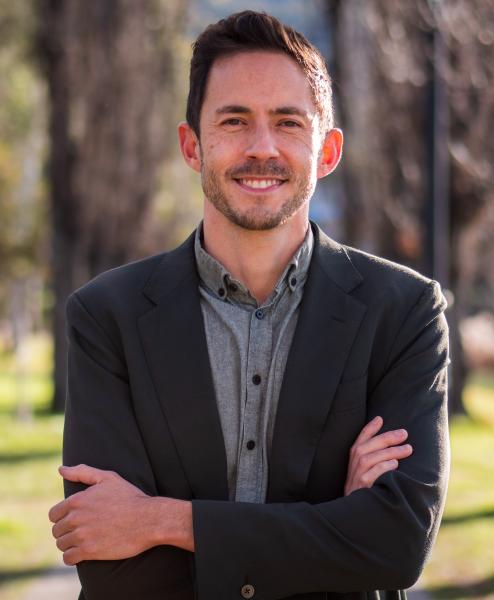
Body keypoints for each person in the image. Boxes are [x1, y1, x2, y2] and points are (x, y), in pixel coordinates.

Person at [48, 10, 450, 600]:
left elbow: (395, 544)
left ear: (327, 151)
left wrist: (162, 520)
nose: (262, 149)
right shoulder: (106, 316)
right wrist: (335, 519)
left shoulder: (405, 312)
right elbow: (114, 567)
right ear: (192, 146)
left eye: (288, 123)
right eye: (234, 121)